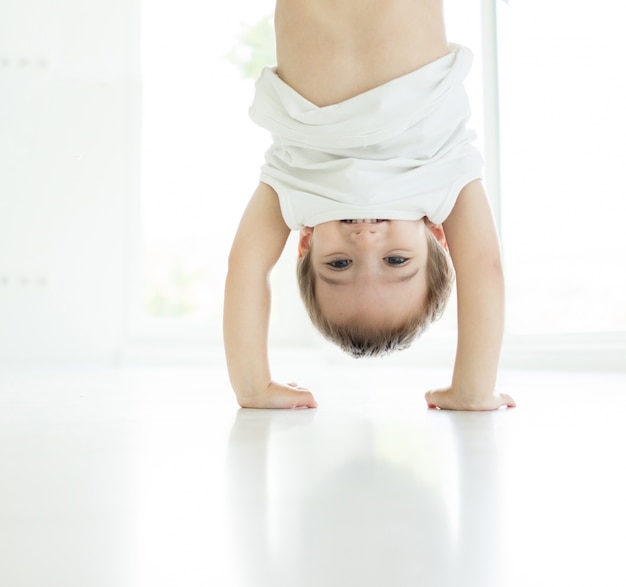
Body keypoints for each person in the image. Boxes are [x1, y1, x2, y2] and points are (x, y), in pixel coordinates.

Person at [223, 0, 516, 411]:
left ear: (305, 244)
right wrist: (472, 388)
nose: (365, 240)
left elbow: (246, 267)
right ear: (437, 234)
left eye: (339, 264)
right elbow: (484, 265)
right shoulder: (439, 179)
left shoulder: (298, 190)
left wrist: (252, 387)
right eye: (396, 260)